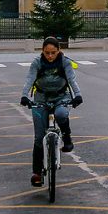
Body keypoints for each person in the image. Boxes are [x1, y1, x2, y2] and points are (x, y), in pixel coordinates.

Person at [21, 36, 83, 187]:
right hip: (41, 98)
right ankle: (37, 173)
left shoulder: (65, 62)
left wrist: (78, 95)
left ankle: (67, 137)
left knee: (61, 114)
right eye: (47, 52)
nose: (50, 56)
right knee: (38, 137)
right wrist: (24, 96)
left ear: (59, 51)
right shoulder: (37, 63)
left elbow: (71, 80)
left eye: (53, 52)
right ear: (42, 51)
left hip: (61, 96)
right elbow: (29, 79)